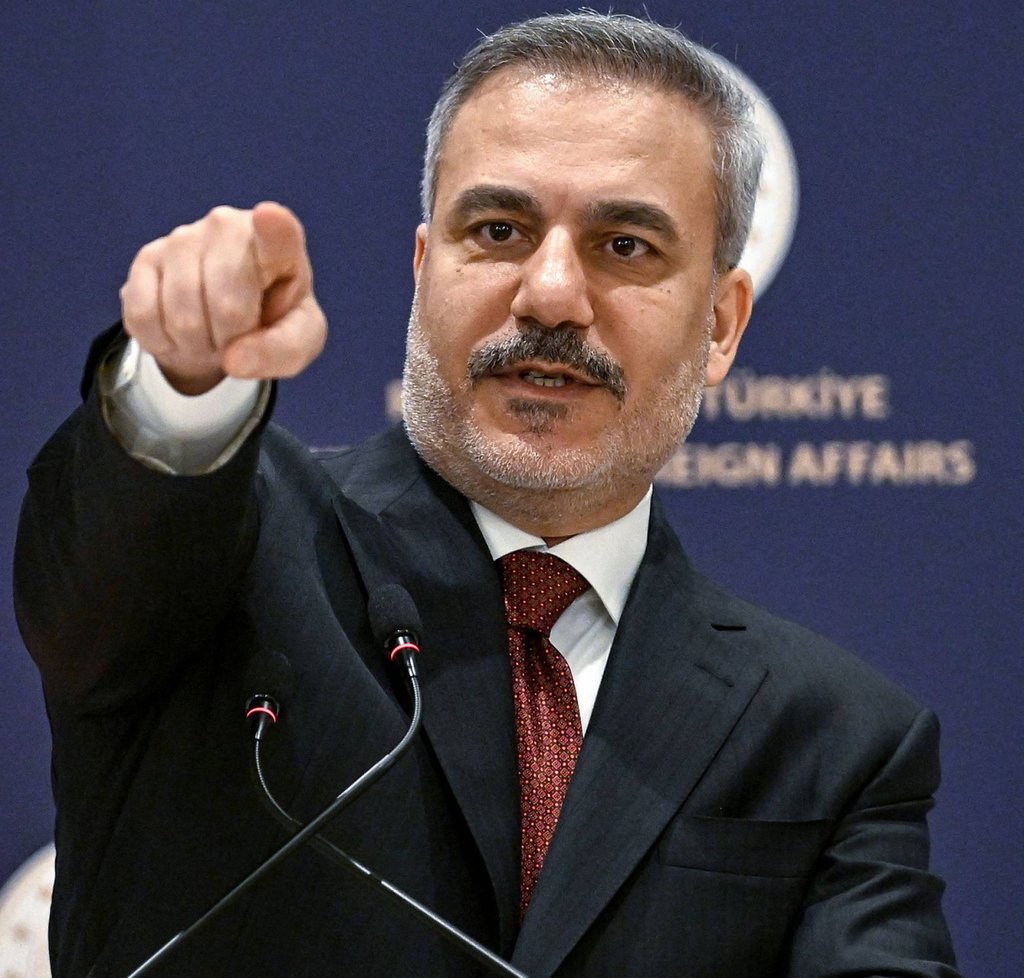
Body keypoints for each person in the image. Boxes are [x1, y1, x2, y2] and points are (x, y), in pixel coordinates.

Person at [14, 12, 959, 978]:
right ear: (425, 271)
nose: (550, 294)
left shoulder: (836, 741)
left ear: (720, 325)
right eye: (499, 231)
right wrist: (177, 384)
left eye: (625, 245)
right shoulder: (226, 554)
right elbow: (103, 565)